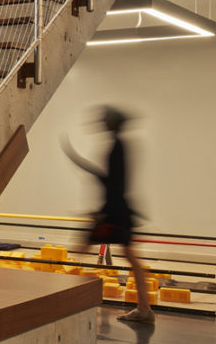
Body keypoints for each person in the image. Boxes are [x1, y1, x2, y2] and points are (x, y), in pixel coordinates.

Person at [64, 106, 155, 324]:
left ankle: (65, 300)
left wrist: (101, 212)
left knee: (79, 249)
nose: (102, 123)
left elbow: (113, 183)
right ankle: (144, 309)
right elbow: (113, 180)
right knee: (131, 258)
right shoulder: (119, 145)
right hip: (118, 209)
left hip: (115, 211)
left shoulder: (117, 147)